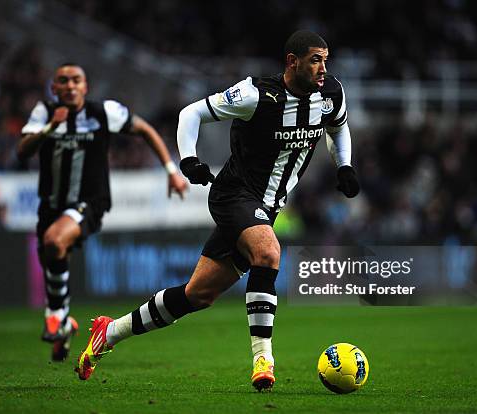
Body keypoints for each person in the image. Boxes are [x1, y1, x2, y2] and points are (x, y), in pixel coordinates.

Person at [75, 30, 359, 391]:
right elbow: (191, 113)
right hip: (234, 194)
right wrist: (189, 159)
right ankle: (263, 359)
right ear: (292, 62)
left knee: (198, 295)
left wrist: (344, 165)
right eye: (316, 59)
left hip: (267, 206)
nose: (323, 68)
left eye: (326, 59)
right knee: (268, 252)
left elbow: (339, 127)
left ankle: (109, 332)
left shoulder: (331, 92)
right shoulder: (256, 94)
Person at [18, 63, 188, 362]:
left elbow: (146, 130)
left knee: (55, 242)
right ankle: (65, 325)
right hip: (51, 204)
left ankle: (55, 315)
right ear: (54, 88)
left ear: (85, 87)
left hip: (91, 201)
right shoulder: (44, 113)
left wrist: (171, 170)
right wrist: (49, 129)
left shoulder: (103, 113)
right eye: (63, 81)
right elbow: (23, 151)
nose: (70, 86)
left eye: (76, 81)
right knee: (53, 252)